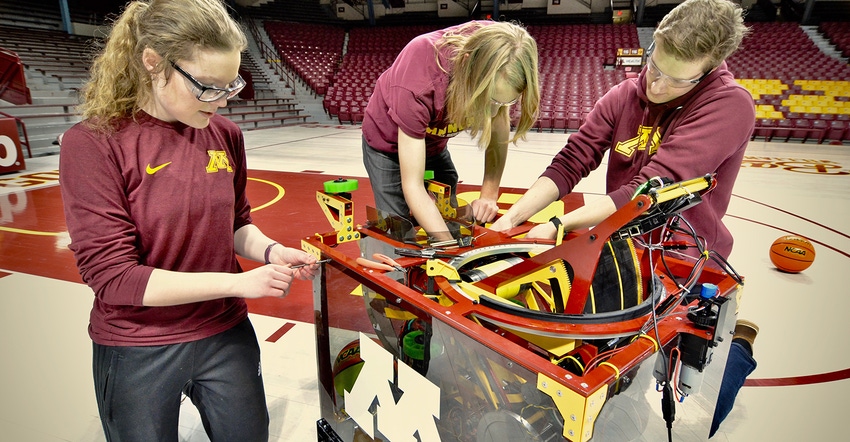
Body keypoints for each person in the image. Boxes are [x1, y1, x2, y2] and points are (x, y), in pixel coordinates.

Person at [487, 0, 757, 437]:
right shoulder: (625, 94)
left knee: (693, 389)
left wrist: (560, 226)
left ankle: (740, 347)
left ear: (707, 71)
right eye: (654, 65)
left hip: (685, 263)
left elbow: (646, 191)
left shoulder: (730, 105)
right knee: (606, 371)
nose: (655, 83)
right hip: (623, 254)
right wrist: (512, 216)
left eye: (676, 79)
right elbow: (573, 159)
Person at [59, 0, 319, 440]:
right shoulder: (94, 144)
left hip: (223, 330)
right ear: (153, 62)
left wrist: (272, 251)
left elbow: (236, 224)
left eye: (230, 85)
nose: (219, 102)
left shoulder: (223, 135)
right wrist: (239, 283)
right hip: (137, 342)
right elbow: (115, 278)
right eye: (207, 86)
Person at [361, 20, 540, 238]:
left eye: (502, 103)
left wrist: (489, 195)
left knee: (451, 218)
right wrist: (450, 250)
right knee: (397, 230)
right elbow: (413, 187)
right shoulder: (419, 80)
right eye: (490, 100)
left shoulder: (504, 49)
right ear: (466, 66)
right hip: (387, 144)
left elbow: (498, 120)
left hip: (433, 142)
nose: (493, 112)